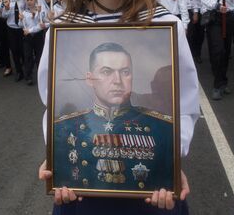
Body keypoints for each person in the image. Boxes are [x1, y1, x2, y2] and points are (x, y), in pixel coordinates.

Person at [37, 0, 198, 214]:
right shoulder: (63, 30)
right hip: (81, 192)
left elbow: (185, 105)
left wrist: (170, 158)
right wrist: (55, 153)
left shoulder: (164, 24)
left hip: (152, 190)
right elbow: (51, 103)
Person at [52, 42, 174, 190]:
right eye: (106, 71)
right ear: (90, 79)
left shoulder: (162, 127)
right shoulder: (64, 127)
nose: (117, 80)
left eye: (125, 72)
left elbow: (167, 180)